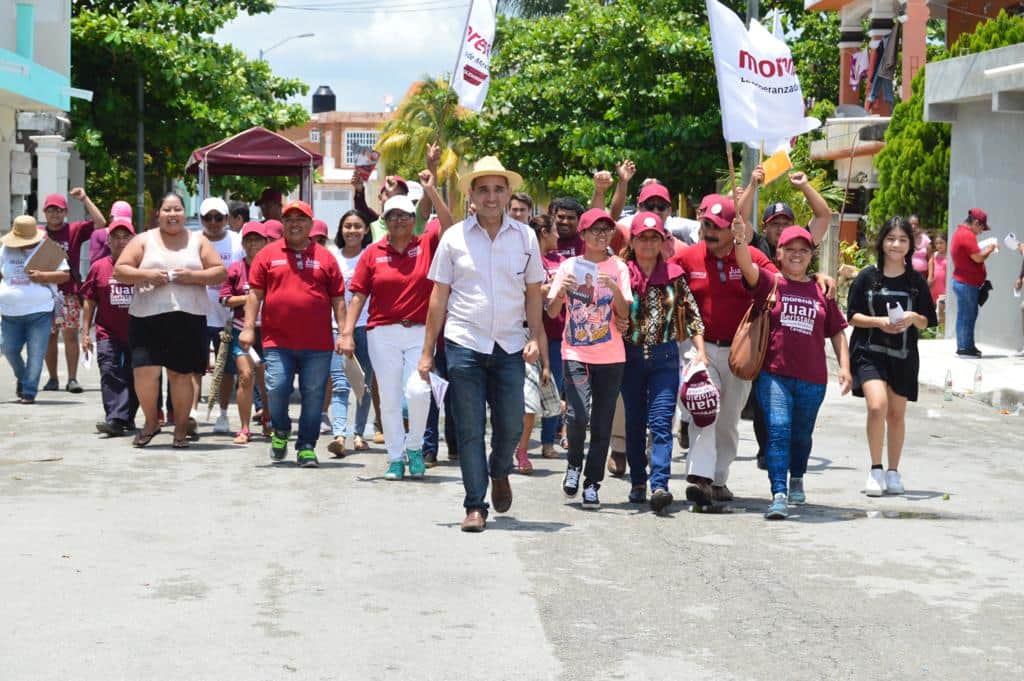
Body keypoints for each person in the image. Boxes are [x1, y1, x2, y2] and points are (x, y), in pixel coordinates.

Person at [418, 155, 548, 532]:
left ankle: (500, 469)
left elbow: (533, 292)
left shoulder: (525, 237)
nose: (491, 197)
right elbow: (439, 297)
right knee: (470, 428)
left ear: (508, 194)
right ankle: (475, 505)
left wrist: (535, 338)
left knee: (510, 425)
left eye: (498, 189)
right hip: (464, 343)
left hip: (509, 345)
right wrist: (427, 351)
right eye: (484, 190)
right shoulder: (454, 237)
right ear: (471, 196)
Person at [732, 222, 851, 519]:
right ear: (779, 253)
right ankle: (779, 493)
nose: (797, 255)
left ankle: (797, 475)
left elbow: (837, 332)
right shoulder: (769, 282)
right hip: (774, 374)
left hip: (813, 378)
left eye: (803, 250)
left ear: (811, 255)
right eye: (790, 249)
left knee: (801, 435)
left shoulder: (822, 290)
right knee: (778, 429)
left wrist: (845, 368)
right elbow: (745, 264)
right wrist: (739, 239)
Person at [670, 194, 778, 506]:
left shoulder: (752, 256)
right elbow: (658, 278)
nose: (710, 232)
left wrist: (820, 279)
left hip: (740, 353)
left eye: (717, 227)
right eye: (706, 225)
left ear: (734, 229)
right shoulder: (687, 257)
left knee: (728, 421)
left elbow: (780, 281)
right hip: (699, 349)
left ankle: (718, 480)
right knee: (704, 409)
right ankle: (700, 478)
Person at [342, 191, 442, 479]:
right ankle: (396, 458)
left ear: (413, 219)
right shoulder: (372, 253)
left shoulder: (426, 244)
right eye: (392, 216)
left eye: (404, 215)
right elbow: (358, 296)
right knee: (389, 397)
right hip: (382, 333)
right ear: (384, 221)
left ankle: (415, 447)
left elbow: (448, 225)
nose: (398, 220)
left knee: (419, 391)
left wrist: (432, 189)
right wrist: (347, 333)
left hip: (420, 332)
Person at [115, 192, 227, 448]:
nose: (172, 214)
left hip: (187, 317)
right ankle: (151, 422)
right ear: (159, 213)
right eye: (167, 209)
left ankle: (180, 428)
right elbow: (120, 270)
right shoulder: (143, 239)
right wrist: (147, 275)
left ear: (184, 213)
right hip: (146, 317)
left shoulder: (198, 240)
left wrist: (193, 277)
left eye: (177, 209)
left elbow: (220, 272)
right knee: (145, 372)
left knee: (181, 375)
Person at [240, 200, 345, 467]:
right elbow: (255, 294)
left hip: (318, 344)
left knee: (314, 394)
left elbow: (338, 299)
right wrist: (249, 328)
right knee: (276, 388)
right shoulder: (268, 254)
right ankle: (281, 430)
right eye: (289, 219)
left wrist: (345, 333)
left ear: (310, 224)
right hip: (277, 341)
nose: (294, 224)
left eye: (301, 219)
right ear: (283, 224)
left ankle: (307, 446)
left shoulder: (326, 257)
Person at [620, 212, 706, 512]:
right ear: (632, 242)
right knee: (634, 423)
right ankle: (637, 481)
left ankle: (659, 485)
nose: (647, 243)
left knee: (660, 422)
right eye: (642, 238)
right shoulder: (621, 274)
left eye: (653, 238)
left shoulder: (674, 275)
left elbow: (693, 315)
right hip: (629, 359)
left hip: (664, 359)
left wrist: (700, 351)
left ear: (662, 242)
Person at [547, 208, 631, 511]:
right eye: (595, 230)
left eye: (606, 230)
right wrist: (562, 291)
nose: (601, 235)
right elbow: (552, 311)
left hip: (611, 356)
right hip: (575, 352)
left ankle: (593, 483)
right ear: (582, 234)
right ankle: (573, 464)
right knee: (578, 414)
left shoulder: (618, 267)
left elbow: (625, 313)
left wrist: (613, 289)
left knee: (602, 422)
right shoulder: (569, 266)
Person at [847, 217, 937, 496]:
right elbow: (852, 316)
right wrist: (879, 322)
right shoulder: (867, 276)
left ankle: (893, 472)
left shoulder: (916, 281)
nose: (895, 245)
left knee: (897, 415)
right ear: (881, 241)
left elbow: (927, 321)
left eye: (902, 240)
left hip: (903, 355)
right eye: (890, 238)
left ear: (910, 245)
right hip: (869, 353)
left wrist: (912, 317)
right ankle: (875, 470)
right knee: (877, 406)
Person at [40, 189, 106, 394]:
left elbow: (101, 222)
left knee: (70, 335)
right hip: (44, 293)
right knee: (49, 337)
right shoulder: (38, 233)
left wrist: (85, 198)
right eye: (51, 210)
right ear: (44, 212)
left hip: (68, 293)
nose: (55, 214)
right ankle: (52, 378)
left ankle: (72, 379)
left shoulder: (74, 230)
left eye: (59, 210)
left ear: (65, 212)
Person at [0, 215, 71, 404]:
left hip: (40, 311)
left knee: (36, 354)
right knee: (8, 348)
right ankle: (23, 378)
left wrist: (43, 276)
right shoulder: (6, 249)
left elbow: (65, 275)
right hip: (9, 312)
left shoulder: (49, 249)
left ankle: (29, 391)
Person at [81, 217, 138, 435]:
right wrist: (85, 332)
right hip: (107, 331)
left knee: (134, 375)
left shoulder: (142, 267)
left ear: (133, 240)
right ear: (108, 241)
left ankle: (128, 417)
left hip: (137, 330)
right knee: (109, 370)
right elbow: (90, 300)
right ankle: (115, 418)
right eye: (116, 237)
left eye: (126, 237)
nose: (121, 241)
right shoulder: (98, 267)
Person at [194, 197, 245, 434]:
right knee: (194, 367)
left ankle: (222, 414)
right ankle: (192, 413)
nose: (213, 222)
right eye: (208, 217)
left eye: (218, 218)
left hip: (228, 317)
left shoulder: (237, 241)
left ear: (226, 219)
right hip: (198, 312)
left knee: (225, 369)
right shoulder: (193, 240)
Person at [326, 209, 374, 456]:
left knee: (363, 384)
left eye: (357, 226)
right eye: (347, 226)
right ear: (340, 229)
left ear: (365, 230)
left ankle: (358, 433)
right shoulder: (332, 257)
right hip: (337, 328)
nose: (352, 230)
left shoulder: (371, 255)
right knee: (340, 383)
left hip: (368, 327)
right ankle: (339, 435)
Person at [219, 221, 270, 445]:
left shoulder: (272, 267)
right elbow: (224, 299)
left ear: (265, 242)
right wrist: (250, 298)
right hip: (241, 331)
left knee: (268, 381)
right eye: (248, 240)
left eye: (257, 240)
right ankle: (244, 427)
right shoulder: (235, 269)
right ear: (243, 244)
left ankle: (268, 419)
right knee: (246, 376)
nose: (253, 244)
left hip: (268, 332)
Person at [529, 214, 566, 460]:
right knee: (528, 391)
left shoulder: (560, 260)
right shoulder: (527, 258)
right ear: (544, 232)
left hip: (558, 334)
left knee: (553, 386)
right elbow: (526, 289)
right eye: (554, 230)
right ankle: (520, 443)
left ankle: (548, 441)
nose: (558, 235)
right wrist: (543, 289)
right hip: (529, 333)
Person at [950, 208, 995, 357]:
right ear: (976, 222)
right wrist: (990, 249)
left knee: (968, 314)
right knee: (966, 316)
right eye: (981, 228)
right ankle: (964, 347)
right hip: (966, 283)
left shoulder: (962, 233)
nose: (981, 232)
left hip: (966, 282)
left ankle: (967, 345)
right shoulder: (967, 235)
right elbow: (978, 257)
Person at [87, 200, 134, 265]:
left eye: (125, 221)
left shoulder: (133, 236)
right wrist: (109, 243)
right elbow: (93, 261)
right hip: (105, 269)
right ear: (110, 218)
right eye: (118, 220)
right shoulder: (99, 234)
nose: (121, 223)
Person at [927, 232, 948, 328]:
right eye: (937, 243)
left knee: (942, 308)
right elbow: (930, 270)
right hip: (935, 285)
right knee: (934, 308)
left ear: (946, 243)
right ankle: (935, 327)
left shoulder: (949, 255)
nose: (939, 245)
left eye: (941, 243)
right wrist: (929, 280)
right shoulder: (934, 255)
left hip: (944, 285)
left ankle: (942, 328)